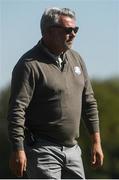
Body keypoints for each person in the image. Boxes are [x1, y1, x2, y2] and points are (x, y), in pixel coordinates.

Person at [7, 7, 104, 179]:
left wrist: (96, 142)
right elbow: (16, 111)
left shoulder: (77, 59)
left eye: (76, 29)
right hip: (42, 150)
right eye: (68, 30)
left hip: (73, 150)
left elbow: (89, 102)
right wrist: (18, 149)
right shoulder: (29, 65)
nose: (73, 34)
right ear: (48, 32)